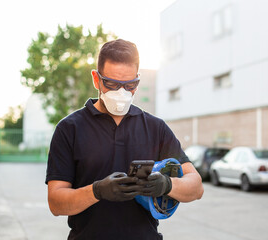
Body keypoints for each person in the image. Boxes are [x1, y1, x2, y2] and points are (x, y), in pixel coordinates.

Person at [46, 39, 204, 240]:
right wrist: (97, 191)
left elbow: (196, 186)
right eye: (111, 84)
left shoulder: (156, 128)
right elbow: (56, 202)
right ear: (96, 79)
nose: (121, 93)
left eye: (130, 85)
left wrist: (167, 185)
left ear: (138, 81)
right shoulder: (70, 129)